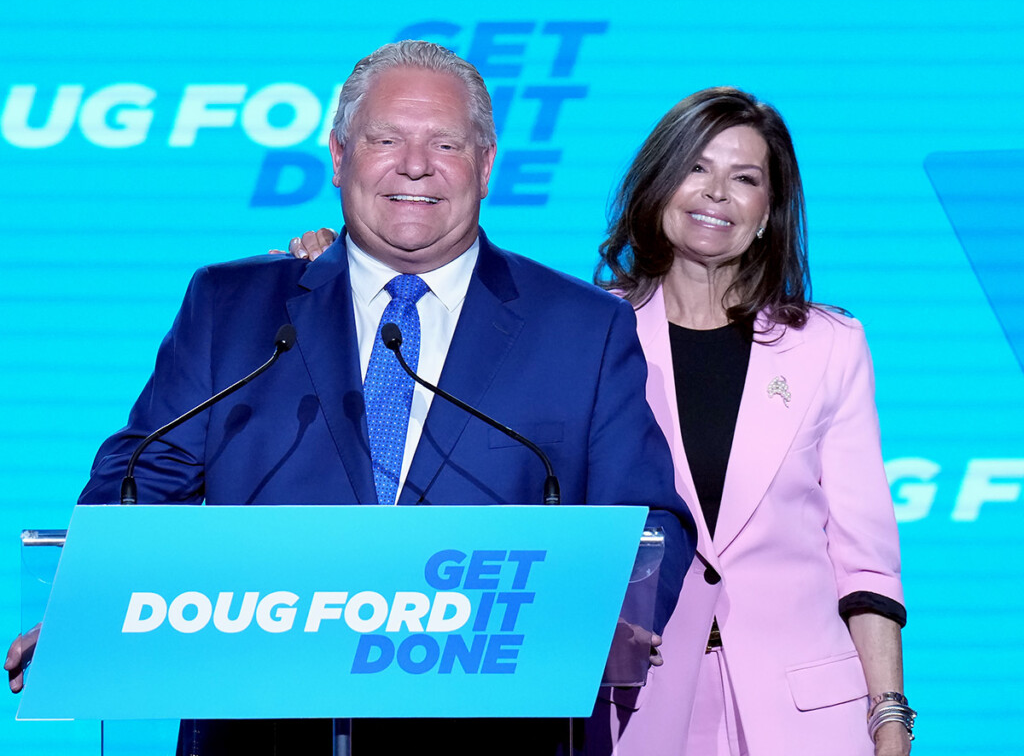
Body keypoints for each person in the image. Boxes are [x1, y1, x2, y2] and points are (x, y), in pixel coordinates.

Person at [5, 41, 696, 756]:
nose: (415, 165)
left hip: (496, 731)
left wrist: (603, 619)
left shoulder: (580, 326)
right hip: (263, 731)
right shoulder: (232, 309)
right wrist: (87, 605)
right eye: (385, 139)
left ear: (486, 167)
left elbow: (651, 516)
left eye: (446, 143)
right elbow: (144, 481)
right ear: (339, 157)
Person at [287, 87, 913, 756]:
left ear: (769, 211)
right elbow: (453, 308)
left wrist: (890, 717)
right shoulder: (584, 329)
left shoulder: (830, 346)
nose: (717, 194)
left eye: (746, 179)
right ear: (659, 183)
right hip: (636, 704)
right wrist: (342, 268)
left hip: (805, 717)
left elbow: (864, 560)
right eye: (697, 168)